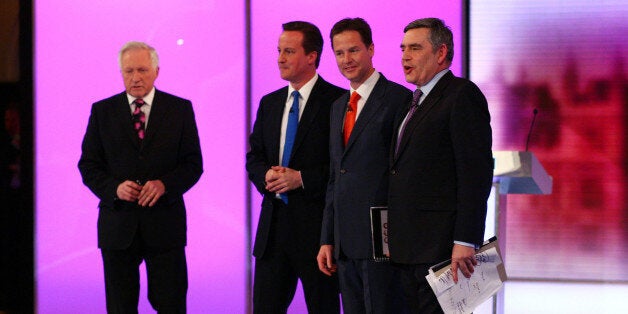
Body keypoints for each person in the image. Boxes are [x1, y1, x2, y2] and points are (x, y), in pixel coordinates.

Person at [78, 41, 203, 313]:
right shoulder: (102, 111)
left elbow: (194, 165)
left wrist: (164, 185)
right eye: (129, 71)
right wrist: (114, 188)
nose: (136, 77)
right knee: (120, 306)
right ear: (121, 73)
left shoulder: (179, 109)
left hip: (165, 225)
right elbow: (88, 165)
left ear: (157, 71)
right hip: (118, 225)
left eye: (143, 70)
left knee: (170, 303)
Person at [388, 18, 493, 313]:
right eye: (403, 48)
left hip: (442, 250)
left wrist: (465, 240)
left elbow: (475, 174)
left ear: (441, 52)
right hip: (406, 248)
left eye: (415, 48)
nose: (405, 56)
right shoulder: (410, 103)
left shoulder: (461, 95)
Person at [246, 21, 345, 314]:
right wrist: (265, 174)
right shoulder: (270, 103)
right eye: (279, 50)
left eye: (289, 51)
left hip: (318, 234)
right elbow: (254, 157)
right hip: (272, 231)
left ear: (311, 56)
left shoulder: (337, 102)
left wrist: (301, 179)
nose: (280, 58)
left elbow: (343, 166)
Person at [316, 18, 411, 314]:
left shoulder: (399, 99)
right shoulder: (337, 106)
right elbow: (335, 176)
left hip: (383, 242)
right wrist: (327, 239)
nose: (347, 59)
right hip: (345, 244)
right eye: (339, 53)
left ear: (371, 49)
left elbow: (404, 173)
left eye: (354, 50)